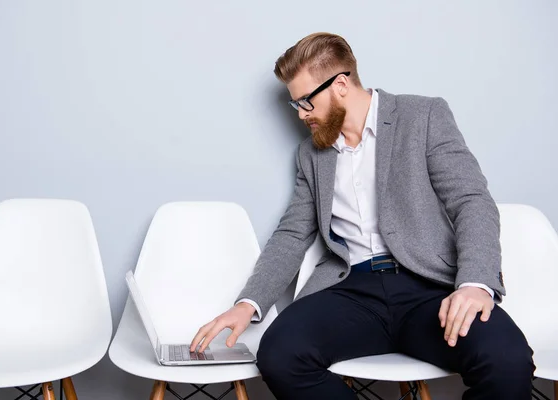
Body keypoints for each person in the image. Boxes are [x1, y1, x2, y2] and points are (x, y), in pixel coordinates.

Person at [191, 32, 534, 399]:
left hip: (427, 288)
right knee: (279, 354)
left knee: (508, 360)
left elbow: (471, 200)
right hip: (351, 290)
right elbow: (292, 235)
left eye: (306, 102)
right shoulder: (312, 155)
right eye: (296, 106)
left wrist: (475, 283)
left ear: (340, 85)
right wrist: (248, 304)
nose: (302, 114)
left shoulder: (423, 117)